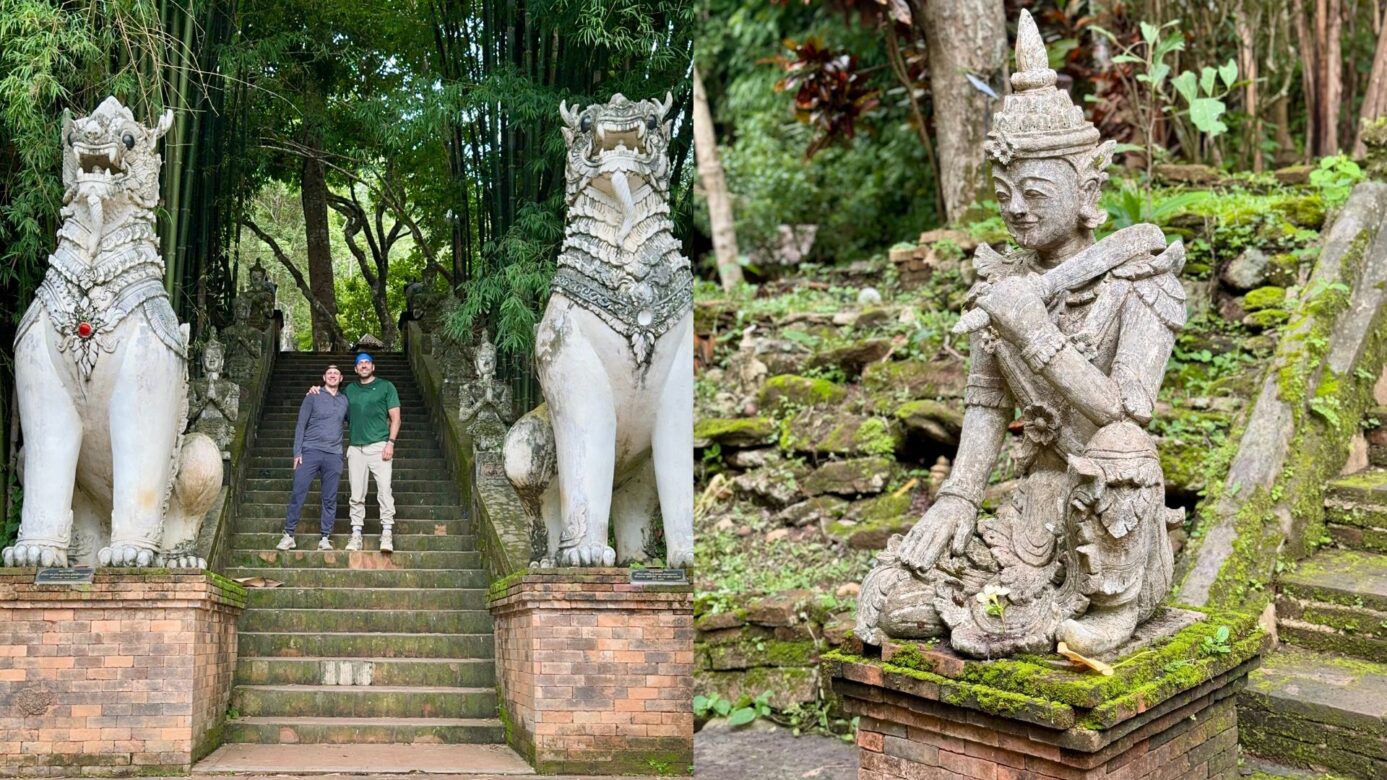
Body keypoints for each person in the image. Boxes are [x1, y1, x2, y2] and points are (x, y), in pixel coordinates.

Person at [311, 352, 401, 552]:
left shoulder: (386, 387)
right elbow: (332, 399)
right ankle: (356, 533)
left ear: (373, 366)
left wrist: (391, 443)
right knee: (356, 493)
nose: (364, 366)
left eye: (367, 362)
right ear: (355, 369)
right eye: (360, 363)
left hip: (379, 445)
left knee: (385, 490)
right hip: (356, 447)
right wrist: (317, 390)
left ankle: (386, 533)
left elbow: (396, 418)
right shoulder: (350, 389)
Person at [279, 365, 350, 551]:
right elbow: (300, 424)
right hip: (310, 451)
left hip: (334, 454)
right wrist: (297, 452)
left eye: (336, 373)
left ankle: (325, 538)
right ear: (324, 377)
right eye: (329, 373)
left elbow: (356, 419)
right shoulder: (313, 396)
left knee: (330, 497)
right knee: (298, 492)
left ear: (341, 378)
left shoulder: (345, 401)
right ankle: (288, 534)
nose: (333, 376)